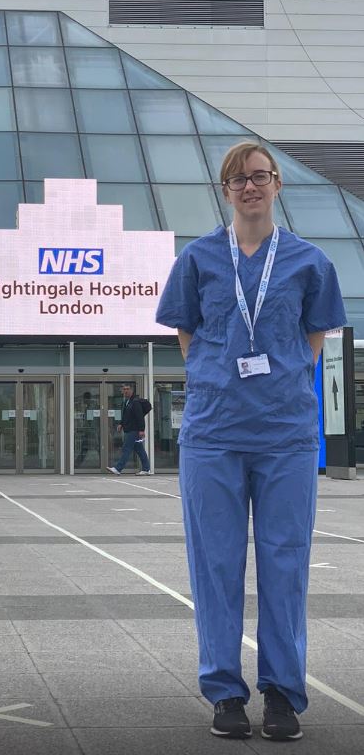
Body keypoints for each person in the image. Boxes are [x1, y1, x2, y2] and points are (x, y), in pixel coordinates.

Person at [155, 141, 346, 743]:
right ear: (225, 189)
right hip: (213, 433)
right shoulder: (198, 259)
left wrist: (278, 376)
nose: (250, 187)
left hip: (285, 434)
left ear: (277, 186)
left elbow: (315, 337)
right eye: (238, 179)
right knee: (215, 564)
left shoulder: (310, 261)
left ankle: (283, 694)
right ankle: (225, 693)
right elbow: (187, 334)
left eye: (260, 177)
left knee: (284, 563)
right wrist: (221, 374)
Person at [106, 382, 151, 475]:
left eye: (127, 389)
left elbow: (139, 416)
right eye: (124, 389)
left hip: (133, 430)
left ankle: (118, 468)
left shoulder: (135, 402)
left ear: (132, 390)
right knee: (139, 450)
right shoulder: (127, 402)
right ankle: (146, 469)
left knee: (126, 449)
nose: (125, 391)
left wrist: (142, 430)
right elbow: (126, 415)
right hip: (130, 429)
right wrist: (121, 424)